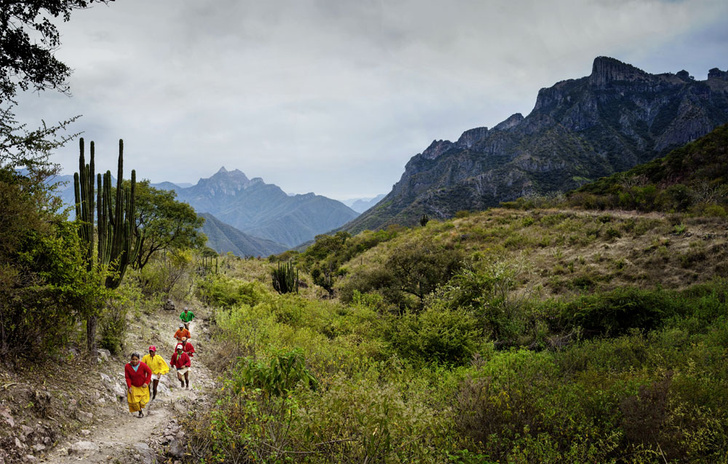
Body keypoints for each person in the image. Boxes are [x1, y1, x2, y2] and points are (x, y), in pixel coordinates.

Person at [124, 352, 152, 418]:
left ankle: (141, 409)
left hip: (142, 386)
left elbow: (149, 372)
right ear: (131, 359)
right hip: (134, 386)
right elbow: (127, 377)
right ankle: (140, 412)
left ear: (139, 359)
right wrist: (129, 386)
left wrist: (146, 382)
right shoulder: (127, 366)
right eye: (133, 359)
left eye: (136, 359)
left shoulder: (143, 365)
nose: (135, 361)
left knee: (143, 402)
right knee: (135, 402)